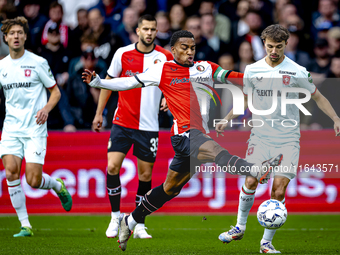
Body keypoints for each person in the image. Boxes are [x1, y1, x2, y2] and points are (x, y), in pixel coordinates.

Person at [83, 30, 284, 251]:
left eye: (192, 47)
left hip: (197, 135)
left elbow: (231, 77)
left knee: (171, 189)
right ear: (173, 50)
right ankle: (255, 170)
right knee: (214, 150)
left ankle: (129, 221)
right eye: (184, 47)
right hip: (184, 134)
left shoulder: (204, 67)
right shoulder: (162, 69)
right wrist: (99, 82)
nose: (190, 51)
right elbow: (128, 82)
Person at [216, 24, 340, 253]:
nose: (274, 51)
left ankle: (266, 242)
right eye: (270, 46)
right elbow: (245, 100)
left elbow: (318, 97)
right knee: (251, 180)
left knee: (279, 191)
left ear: (286, 44)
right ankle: (239, 227)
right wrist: (227, 118)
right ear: (263, 44)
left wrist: (335, 118)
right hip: (260, 136)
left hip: (288, 139)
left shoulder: (297, 71)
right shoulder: (252, 70)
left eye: (279, 46)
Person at [92, 14, 173, 240]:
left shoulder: (165, 57)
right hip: (122, 122)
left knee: (145, 175)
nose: (149, 33)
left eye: (152, 29)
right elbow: (108, 83)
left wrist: (167, 97)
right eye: (145, 29)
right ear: (137, 31)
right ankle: (115, 216)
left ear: (156, 32)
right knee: (112, 167)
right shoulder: (122, 53)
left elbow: (173, 84)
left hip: (148, 125)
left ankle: (138, 222)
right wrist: (99, 113)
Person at [0, 16, 72, 237]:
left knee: (32, 180)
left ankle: (57, 186)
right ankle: (25, 225)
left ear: (25, 37)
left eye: (19, 33)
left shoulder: (38, 62)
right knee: (11, 172)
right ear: (5, 37)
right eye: (12, 33)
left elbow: (56, 92)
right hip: (11, 127)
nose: (16, 36)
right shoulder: (1, 66)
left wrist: (46, 110)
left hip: (34, 128)